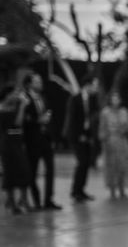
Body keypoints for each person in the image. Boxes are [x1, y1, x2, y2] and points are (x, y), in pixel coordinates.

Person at [19, 73, 62, 210]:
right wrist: (38, 120)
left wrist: (52, 136)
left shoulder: (43, 97)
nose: (40, 83)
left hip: (46, 139)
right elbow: (23, 120)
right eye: (37, 81)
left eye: (40, 81)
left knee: (50, 170)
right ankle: (36, 201)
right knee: (32, 172)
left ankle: (48, 200)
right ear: (29, 84)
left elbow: (48, 118)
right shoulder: (24, 98)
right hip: (32, 140)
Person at [63, 75, 100, 203]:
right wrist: (79, 135)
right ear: (88, 85)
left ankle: (81, 190)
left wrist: (89, 136)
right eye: (95, 85)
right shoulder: (75, 99)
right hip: (75, 136)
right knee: (82, 162)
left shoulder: (92, 99)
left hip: (86, 136)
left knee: (86, 163)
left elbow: (90, 120)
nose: (97, 88)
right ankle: (75, 191)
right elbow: (72, 120)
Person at [0, 85, 31, 214]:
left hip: (17, 141)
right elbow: (17, 123)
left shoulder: (15, 107)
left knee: (24, 170)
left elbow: (19, 125)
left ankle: (22, 200)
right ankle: (12, 202)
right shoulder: (1, 107)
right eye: (14, 93)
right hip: (6, 143)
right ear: (7, 94)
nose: (17, 96)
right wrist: (23, 106)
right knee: (9, 173)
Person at [98, 91, 128, 199]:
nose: (116, 101)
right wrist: (104, 141)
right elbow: (102, 128)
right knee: (111, 166)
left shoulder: (124, 112)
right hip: (110, 142)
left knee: (123, 166)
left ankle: (122, 189)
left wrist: (124, 130)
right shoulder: (105, 112)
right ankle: (112, 190)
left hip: (122, 142)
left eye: (117, 98)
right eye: (113, 98)